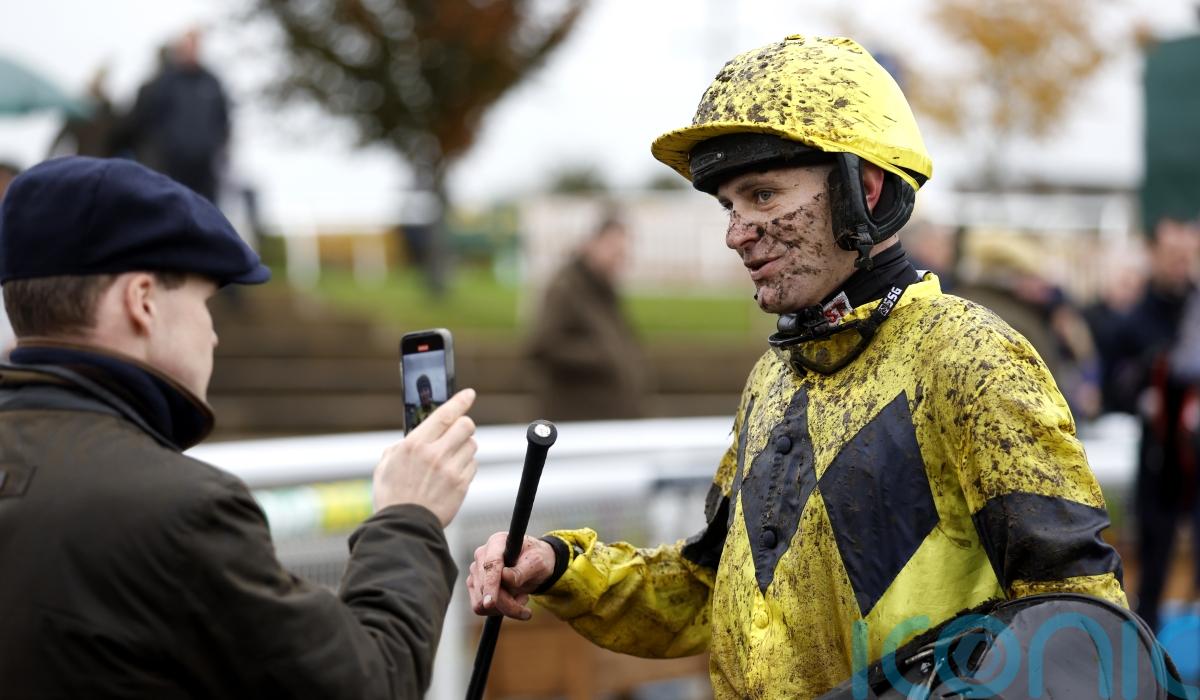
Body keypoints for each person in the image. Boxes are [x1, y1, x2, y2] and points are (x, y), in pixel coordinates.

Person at [467, 35, 1126, 698]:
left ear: (864, 189)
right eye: (729, 206)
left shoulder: (968, 356)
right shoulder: (774, 377)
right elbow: (706, 590)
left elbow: (1082, 635)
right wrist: (560, 566)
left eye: (762, 196)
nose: (736, 233)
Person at [0, 156, 479, 698]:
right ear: (142, 301)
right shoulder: (178, 510)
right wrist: (408, 517)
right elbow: (371, 684)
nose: (212, 334)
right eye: (205, 303)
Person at [1098, 216, 1200, 633]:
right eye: (1173, 254)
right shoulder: (1134, 321)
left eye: (1187, 255)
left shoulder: (1195, 310)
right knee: (1154, 560)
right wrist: (1143, 383)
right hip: (1158, 457)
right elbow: (1111, 390)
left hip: (1196, 453)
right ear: (1154, 254)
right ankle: (1149, 650)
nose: (1181, 263)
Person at [527, 214, 648, 420]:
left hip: (605, 419)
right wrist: (603, 356)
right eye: (614, 251)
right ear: (592, 243)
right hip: (577, 421)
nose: (618, 260)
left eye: (623, 254)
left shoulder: (604, 290)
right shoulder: (566, 288)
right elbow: (542, 346)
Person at [119, 29, 230, 203]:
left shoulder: (211, 82)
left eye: (195, 46)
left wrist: (217, 146)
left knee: (207, 208)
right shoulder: (165, 83)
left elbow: (222, 119)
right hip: (172, 162)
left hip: (204, 163)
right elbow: (150, 119)